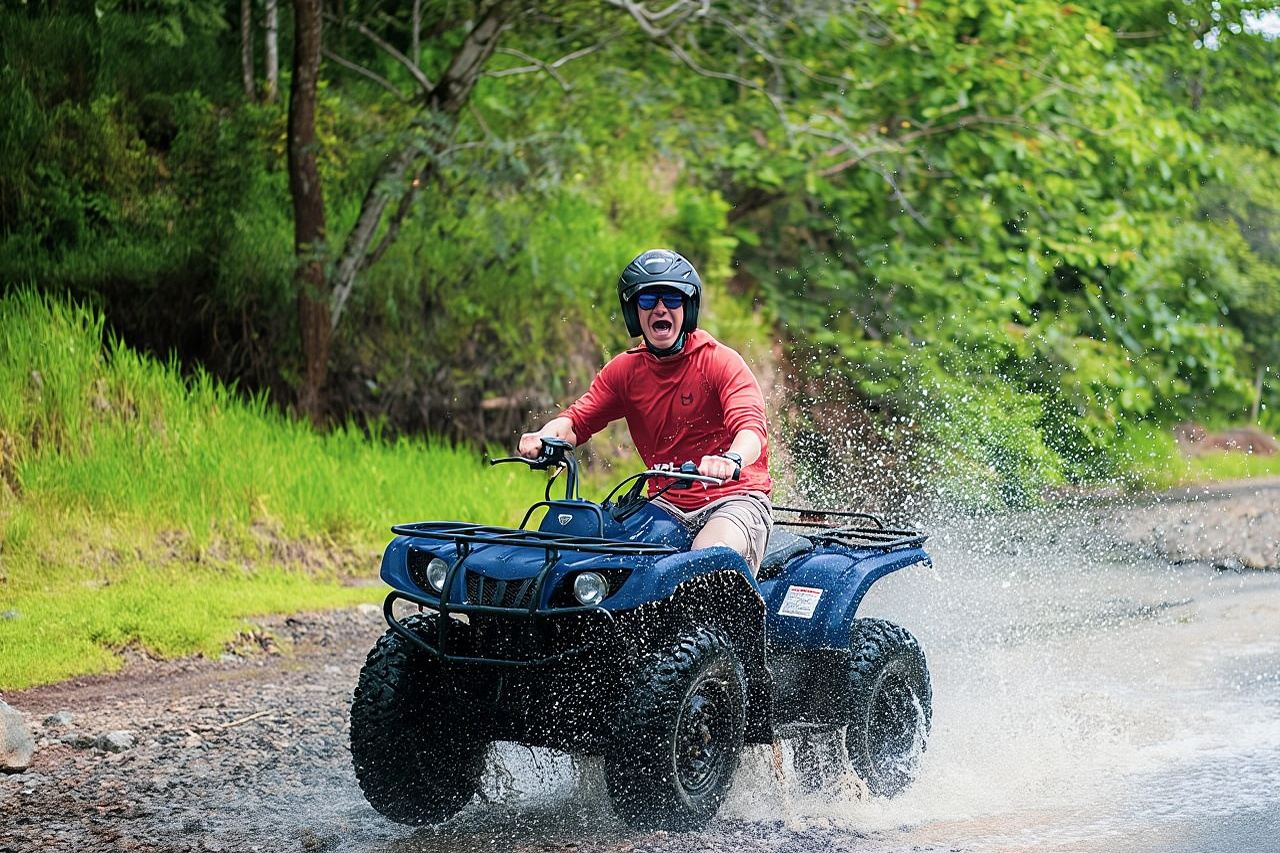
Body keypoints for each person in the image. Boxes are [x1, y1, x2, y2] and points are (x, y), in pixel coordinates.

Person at [518, 248, 773, 573]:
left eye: (672, 299)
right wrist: (543, 437)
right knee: (607, 561)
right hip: (665, 505)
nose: (660, 308)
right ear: (634, 312)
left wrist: (731, 459)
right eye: (648, 300)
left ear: (688, 308)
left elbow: (751, 430)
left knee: (705, 560)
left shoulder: (719, 361)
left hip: (734, 499)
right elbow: (575, 422)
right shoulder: (625, 371)